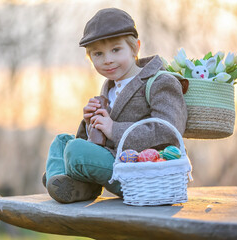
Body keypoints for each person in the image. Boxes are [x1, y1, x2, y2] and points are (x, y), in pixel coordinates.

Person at [43, 8, 187, 203]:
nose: (107, 60)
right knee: (61, 141)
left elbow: (168, 131)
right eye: (98, 54)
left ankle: (69, 178)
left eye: (116, 50)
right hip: (112, 160)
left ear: (135, 48)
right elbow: (101, 142)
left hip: (140, 170)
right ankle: (72, 186)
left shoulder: (161, 82)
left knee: (75, 150)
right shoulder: (109, 86)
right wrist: (90, 124)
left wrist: (113, 128)